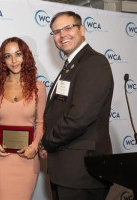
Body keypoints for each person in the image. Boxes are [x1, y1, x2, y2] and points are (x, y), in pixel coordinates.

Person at [39, 11, 114, 200]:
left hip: (81, 173)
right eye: (56, 31)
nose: (62, 34)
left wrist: (46, 142)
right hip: (67, 171)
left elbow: (78, 118)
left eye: (67, 28)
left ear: (82, 29)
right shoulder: (71, 65)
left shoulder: (93, 62)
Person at [0, 37, 46, 200]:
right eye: (8, 56)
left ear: (25, 57)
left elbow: (40, 122)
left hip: (27, 157)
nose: (14, 60)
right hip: (2, 158)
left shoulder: (38, 88)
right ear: (3, 60)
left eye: (18, 54)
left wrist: (35, 147)